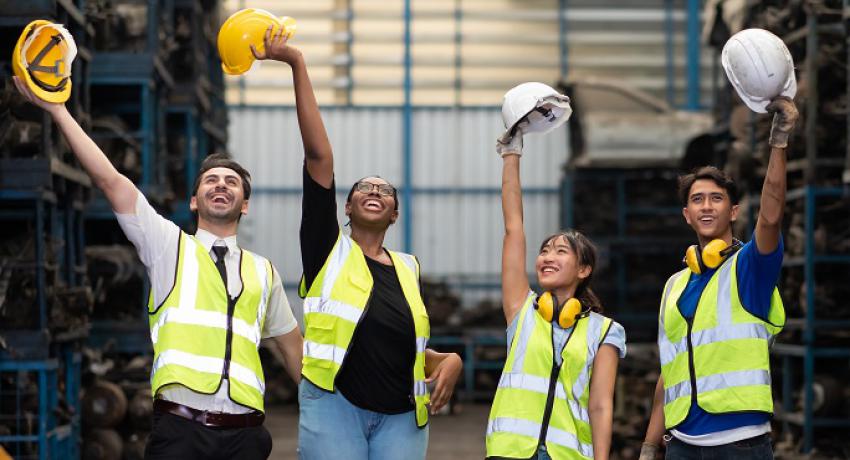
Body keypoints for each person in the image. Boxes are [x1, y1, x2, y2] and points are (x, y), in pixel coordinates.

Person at [13, 75, 303, 460]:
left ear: (244, 204)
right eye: (211, 181)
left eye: (232, 182)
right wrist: (57, 110)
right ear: (195, 201)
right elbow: (111, 181)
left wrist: (324, 415)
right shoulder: (169, 246)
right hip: (181, 433)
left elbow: (292, 347)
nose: (221, 186)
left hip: (246, 437)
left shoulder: (262, 271)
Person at [247, 25, 463, 460]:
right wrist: (297, 63)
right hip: (334, 407)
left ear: (395, 214)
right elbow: (319, 159)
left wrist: (449, 360)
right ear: (345, 207)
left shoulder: (408, 267)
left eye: (385, 191)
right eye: (364, 187)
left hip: (403, 417)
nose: (374, 191)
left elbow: (400, 346)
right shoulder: (327, 250)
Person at [639, 97, 798, 460]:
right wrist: (650, 445)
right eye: (697, 200)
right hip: (681, 443)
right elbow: (670, 370)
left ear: (734, 210)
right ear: (687, 214)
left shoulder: (748, 267)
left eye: (716, 198)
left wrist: (779, 142)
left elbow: (771, 216)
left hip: (740, 442)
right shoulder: (675, 285)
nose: (706, 206)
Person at [485, 128, 626, 460]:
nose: (548, 257)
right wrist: (511, 154)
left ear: (583, 269)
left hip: (569, 454)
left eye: (561, 251)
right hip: (510, 451)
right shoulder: (523, 310)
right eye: (545, 251)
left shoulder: (605, 331)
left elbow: (601, 404)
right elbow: (513, 228)